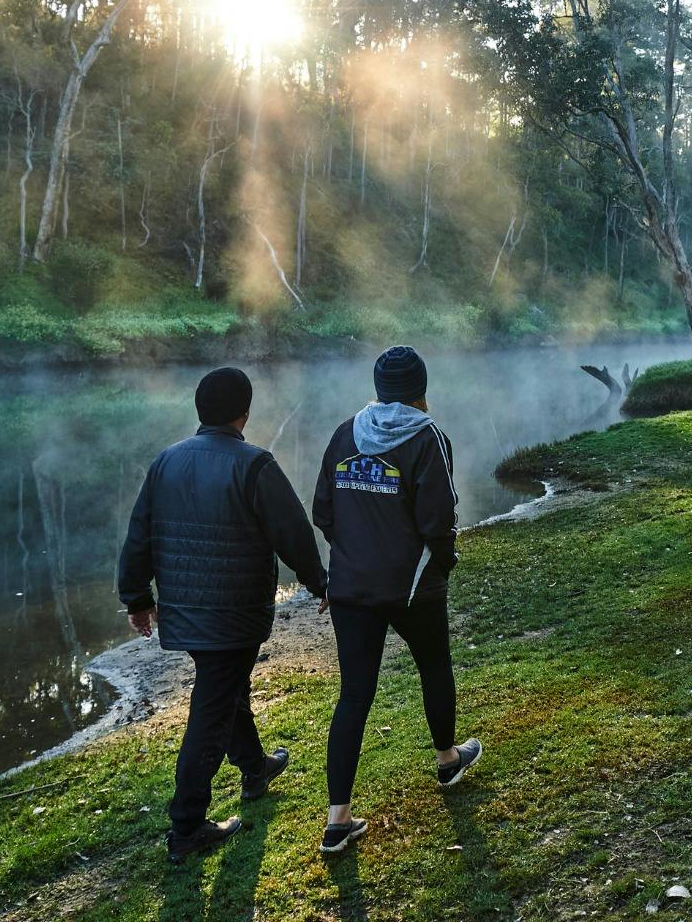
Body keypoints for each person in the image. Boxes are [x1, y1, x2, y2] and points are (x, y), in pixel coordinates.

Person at [117, 366, 328, 864]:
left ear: (200, 411)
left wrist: (137, 598)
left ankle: (255, 769)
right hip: (235, 613)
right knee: (212, 709)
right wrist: (320, 581)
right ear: (244, 414)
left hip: (186, 612)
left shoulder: (166, 462)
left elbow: (139, 533)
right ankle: (186, 827)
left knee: (225, 687)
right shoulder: (254, 464)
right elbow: (292, 532)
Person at [311, 345, 481, 855]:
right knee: (434, 664)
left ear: (379, 386)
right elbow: (439, 519)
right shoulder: (428, 437)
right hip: (412, 588)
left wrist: (353, 557)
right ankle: (448, 760)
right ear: (421, 390)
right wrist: (444, 561)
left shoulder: (345, 432)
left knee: (354, 696)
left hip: (351, 589)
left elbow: (323, 509)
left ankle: (337, 820)